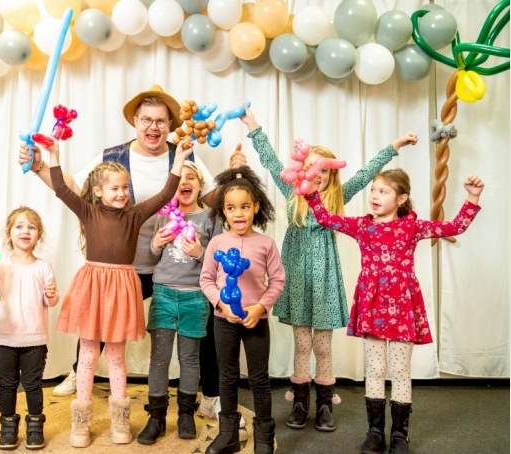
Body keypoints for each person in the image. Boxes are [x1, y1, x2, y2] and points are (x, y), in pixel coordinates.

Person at [20, 85, 245, 402]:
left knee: (202, 324)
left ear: (169, 125)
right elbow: (70, 187)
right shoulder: (111, 157)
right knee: (99, 319)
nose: (153, 127)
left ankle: (210, 394)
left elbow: (211, 198)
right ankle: (79, 369)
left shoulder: (184, 155)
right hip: (125, 266)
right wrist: (39, 164)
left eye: (161, 121)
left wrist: (236, 178)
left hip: (174, 267)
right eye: (146, 120)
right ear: (136, 122)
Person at [239, 106, 418, 432]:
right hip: (296, 280)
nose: (315, 174)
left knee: (322, 345)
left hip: (324, 280)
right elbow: (270, 161)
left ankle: (324, 404)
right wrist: (253, 126)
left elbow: (366, 174)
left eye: (322, 169)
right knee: (301, 344)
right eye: (310, 168)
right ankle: (301, 403)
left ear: (330, 174)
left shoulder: (337, 197)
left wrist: (395, 145)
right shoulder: (293, 195)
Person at [305, 170, 484, 454]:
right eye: (373, 190)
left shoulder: (412, 227)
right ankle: (375, 431)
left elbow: (453, 227)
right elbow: (326, 218)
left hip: (402, 307)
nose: (374, 195)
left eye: (383, 191)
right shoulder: (363, 226)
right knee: (375, 370)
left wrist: (472, 197)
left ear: (401, 199)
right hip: (372, 306)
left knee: (400, 371)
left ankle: (400, 434)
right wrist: (312, 193)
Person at [41, 137, 192, 447]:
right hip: (93, 285)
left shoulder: (134, 215)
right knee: (88, 355)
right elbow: (60, 188)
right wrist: (54, 154)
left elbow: (166, 192)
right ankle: (81, 422)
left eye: (125, 187)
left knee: (116, 357)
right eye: (115, 188)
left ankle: (119, 419)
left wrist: (180, 159)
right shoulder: (87, 211)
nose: (122, 193)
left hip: (122, 286)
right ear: (98, 191)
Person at [200, 166, 286, 454]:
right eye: (231, 208)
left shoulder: (266, 244)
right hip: (224, 320)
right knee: (227, 375)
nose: (238, 214)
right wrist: (221, 304)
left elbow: (278, 281)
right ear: (223, 211)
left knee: (259, 378)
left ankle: (263, 436)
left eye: (245, 207)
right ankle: (229, 436)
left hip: (255, 320)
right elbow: (207, 280)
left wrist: (260, 307)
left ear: (256, 207)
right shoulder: (217, 243)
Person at [137, 161, 223, 445]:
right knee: (159, 358)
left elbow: (219, 262)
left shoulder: (210, 217)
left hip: (195, 297)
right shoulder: (163, 216)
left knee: (189, 358)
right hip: (163, 295)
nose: (184, 182)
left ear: (200, 185)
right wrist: (156, 245)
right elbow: (150, 260)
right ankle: (157, 417)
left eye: (191, 178)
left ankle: (186, 413)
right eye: (179, 179)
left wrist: (200, 251)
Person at [0, 207, 59, 450]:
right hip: (4, 337)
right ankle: (8, 425)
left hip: (35, 338)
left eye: (31, 226)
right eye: (19, 226)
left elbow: (51, 300)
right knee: (6, 384)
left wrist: (52, 294)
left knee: (32, 384)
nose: (25, 231)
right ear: (9, 233)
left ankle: (35, 424)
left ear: (38, 234)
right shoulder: (0, 265)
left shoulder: (43, 266)